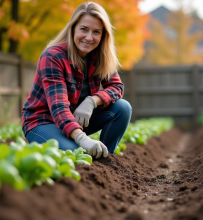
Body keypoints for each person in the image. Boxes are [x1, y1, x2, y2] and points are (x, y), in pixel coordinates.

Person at [22, 2, 132, 159]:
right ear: (73, 28)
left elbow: (116, 87)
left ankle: (105, 157)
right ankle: (46, 142)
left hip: (75, 120)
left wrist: (92, 101)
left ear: (103, 36)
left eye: (96, 32)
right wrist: (83, 139)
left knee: (122, 108)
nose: (89, 37)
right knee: (77, 154)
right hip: (44, 121)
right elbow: (58, 108)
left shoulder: (100, 57)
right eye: (84, 29)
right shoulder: (53, 57)